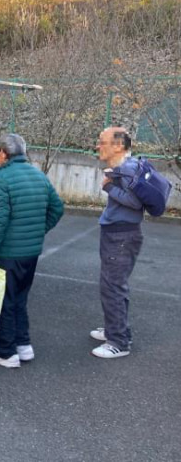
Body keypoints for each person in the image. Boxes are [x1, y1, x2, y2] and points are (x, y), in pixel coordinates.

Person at [0, 134, 64, 368]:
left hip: (8, 252)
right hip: (31, 251)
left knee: (3, 301)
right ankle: (23, 345)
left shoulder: (2, 179)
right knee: (19, 298)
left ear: (3, 154)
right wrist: (38, 231)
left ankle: (5, 353)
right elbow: (57, 208)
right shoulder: (39, 175)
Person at [90, 127, 144, 359]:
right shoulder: (125, 168)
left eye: (102, 142)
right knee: (113, 285)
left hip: (121, 236)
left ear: (119, 145)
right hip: (119, 233)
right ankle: (115, 329)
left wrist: (108, 186)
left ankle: (119, 341)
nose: (98, 146)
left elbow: (135, 202)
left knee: (113, 287)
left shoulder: (127, 169)